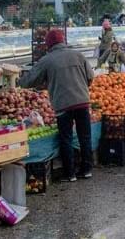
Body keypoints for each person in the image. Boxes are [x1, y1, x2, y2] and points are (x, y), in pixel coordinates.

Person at [19, 29, 96, 181]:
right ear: (63, 41)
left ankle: (70, 174)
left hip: (63, 105)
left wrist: (20, 81)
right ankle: (86, 170)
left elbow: (30, 81)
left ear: (49, 44)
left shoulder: (48, 59)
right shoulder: (78, 55)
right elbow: (91, 76)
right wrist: (82, 87)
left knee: (66, 138)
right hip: (82, 101)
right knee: (85, 136)